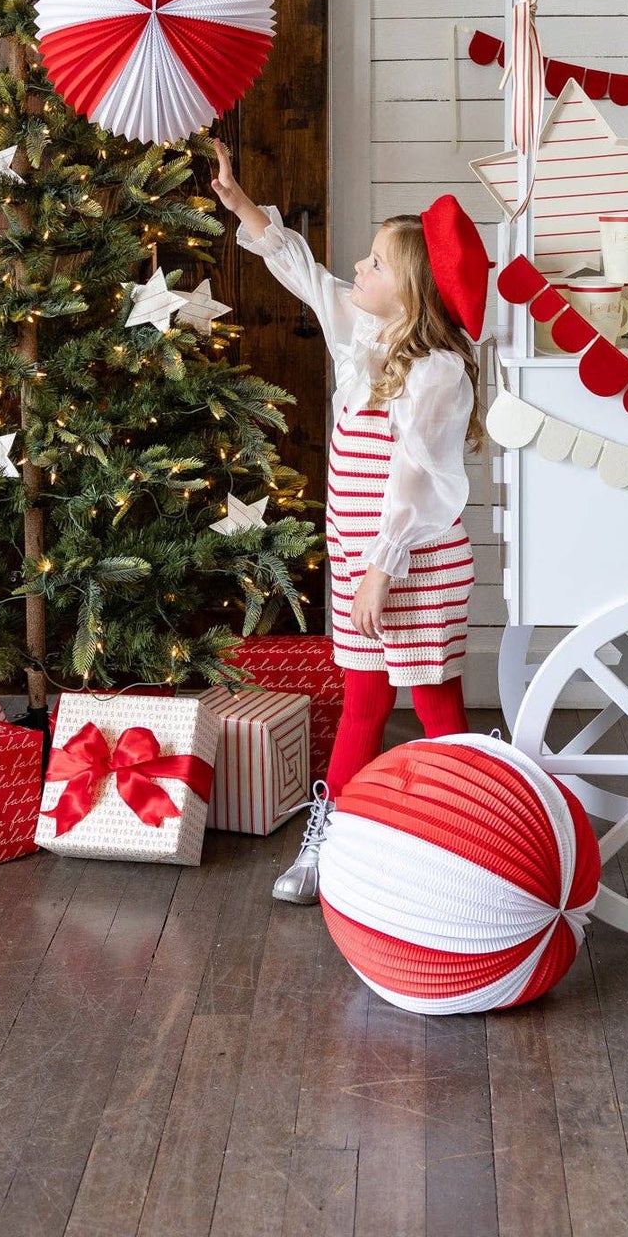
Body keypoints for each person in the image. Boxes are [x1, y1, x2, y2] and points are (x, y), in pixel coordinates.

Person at [210, 139, 490, 903]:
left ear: (413, 290)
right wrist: (241, 204)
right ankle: (328, 842)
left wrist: (381, 568)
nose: (357, 271)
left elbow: (415, 485)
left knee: (436, 705)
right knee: (364, 701)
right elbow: (304, 270)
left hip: (416, 564)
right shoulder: (362, 334)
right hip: (366, 559)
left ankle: (475, 842)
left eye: (374, 263)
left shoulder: (437, 373)